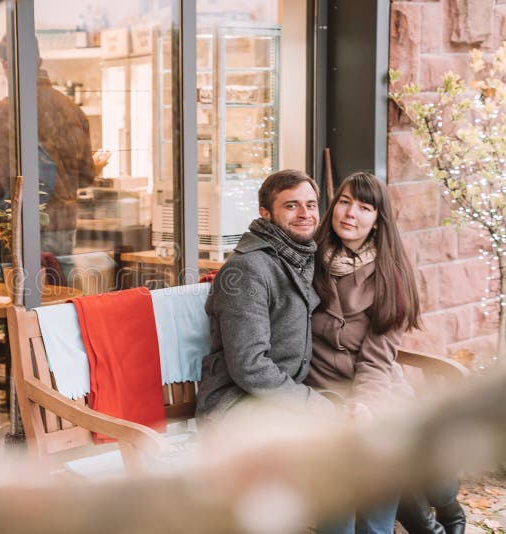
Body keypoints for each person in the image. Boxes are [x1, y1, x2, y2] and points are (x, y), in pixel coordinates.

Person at [306, 172, 464, 533]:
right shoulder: (309, 260)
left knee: (381, 436)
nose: (351, 213)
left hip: (375, 390)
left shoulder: (391, 275)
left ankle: (439, 513)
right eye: (345, 201)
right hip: (322, 389)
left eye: (365, 207)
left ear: (378, 221)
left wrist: (365, 405)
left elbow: (377, 361)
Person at [196, 169, 336, 424]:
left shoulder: (300, 258)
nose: (305, 214)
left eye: (311, 205)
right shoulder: (248, 268)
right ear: (265, 213)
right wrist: (313, 404)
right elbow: (250, 366)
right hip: (236, 408)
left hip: (278, 401)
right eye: (291, 206)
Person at [0, 36, 104, 257]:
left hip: (22, 226)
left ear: (6, 65)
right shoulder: (71, 108)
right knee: (61, 287)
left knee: (22, 288)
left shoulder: (4, 111)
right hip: (63, 224)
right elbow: (85, 177)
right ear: (39, 60)